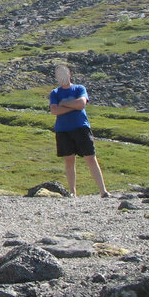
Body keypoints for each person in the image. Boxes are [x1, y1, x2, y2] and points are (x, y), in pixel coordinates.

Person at [50, 64, 109, 197]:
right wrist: (74, 106)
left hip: (81, 127)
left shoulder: (79, 88)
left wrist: (64, 104)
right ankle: (72, 192)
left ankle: (103, 191)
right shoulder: (55, 93)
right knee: (69, 160)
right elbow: (54, 110)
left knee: (90, 158)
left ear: (69, 73)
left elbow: (81, 103)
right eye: (58, 74)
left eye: (63, 73)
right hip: (63, 130)